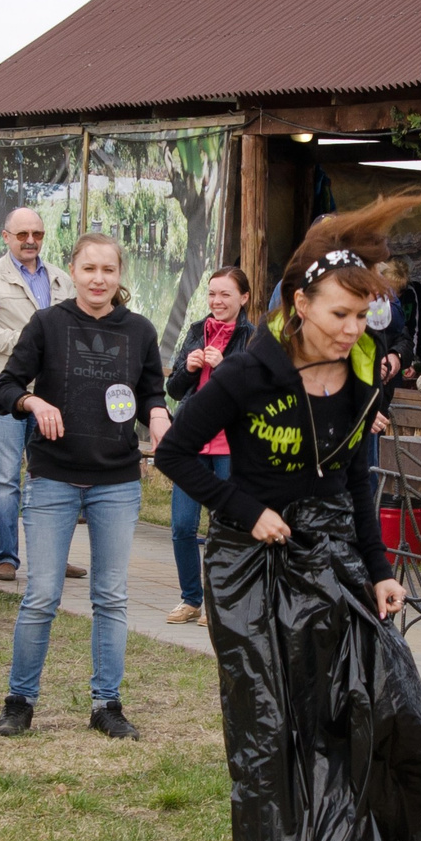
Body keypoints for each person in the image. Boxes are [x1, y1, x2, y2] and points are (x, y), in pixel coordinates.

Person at [153, 195, 421, 841]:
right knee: (269, 728)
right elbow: (174, 453)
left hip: (333, 556)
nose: (352, 330)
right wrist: (244, 508)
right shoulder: (248, 372)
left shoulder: (356, 376)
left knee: (375, 709)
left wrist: (380, 569)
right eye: (339, 316)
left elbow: (357, 477)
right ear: (298, 306)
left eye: (361, 318)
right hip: (249, 565)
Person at [0, 231, 168, 739]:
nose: (98, 279)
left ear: (119, 275)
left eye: (108, 270)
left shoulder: (139, 331)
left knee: (110, 596)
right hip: (53, 478)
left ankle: (106, 704)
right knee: (42, 594)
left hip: (116, 480)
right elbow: (5, 388)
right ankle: (19, 701)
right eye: (89, 269)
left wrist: (159, 417)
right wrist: (34, 403)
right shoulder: (47, 323)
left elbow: (152, 391)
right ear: (73, 272)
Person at [0, 207, 77, 584]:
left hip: (50, 392)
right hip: (4, 388)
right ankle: (5, 557)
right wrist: (29, 343)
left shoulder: (62, 280)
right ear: (6, 236)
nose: (30, 241)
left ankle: (52, 557)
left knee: (52, 476)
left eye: (37, 233)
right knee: (4, 477)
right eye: (22, 235)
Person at [160, 267, 254, 625]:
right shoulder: (198, 330)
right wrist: (187, 365)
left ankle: (219, 601)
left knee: (224, 525)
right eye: (212, 293)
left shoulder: (253, 336)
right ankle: (190, 598)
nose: (217, 301)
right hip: (192, 442)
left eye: (225, 294)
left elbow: (257, 395)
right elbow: (176, 390)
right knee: (183, 525)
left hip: (232, 445)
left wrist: (227, 365)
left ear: (243, 298)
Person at [372, 258, 421, 392]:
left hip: (390, 374)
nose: (391, 296)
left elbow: (407, 333)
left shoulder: (409, 296)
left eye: (394, 292)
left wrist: (401, 357)